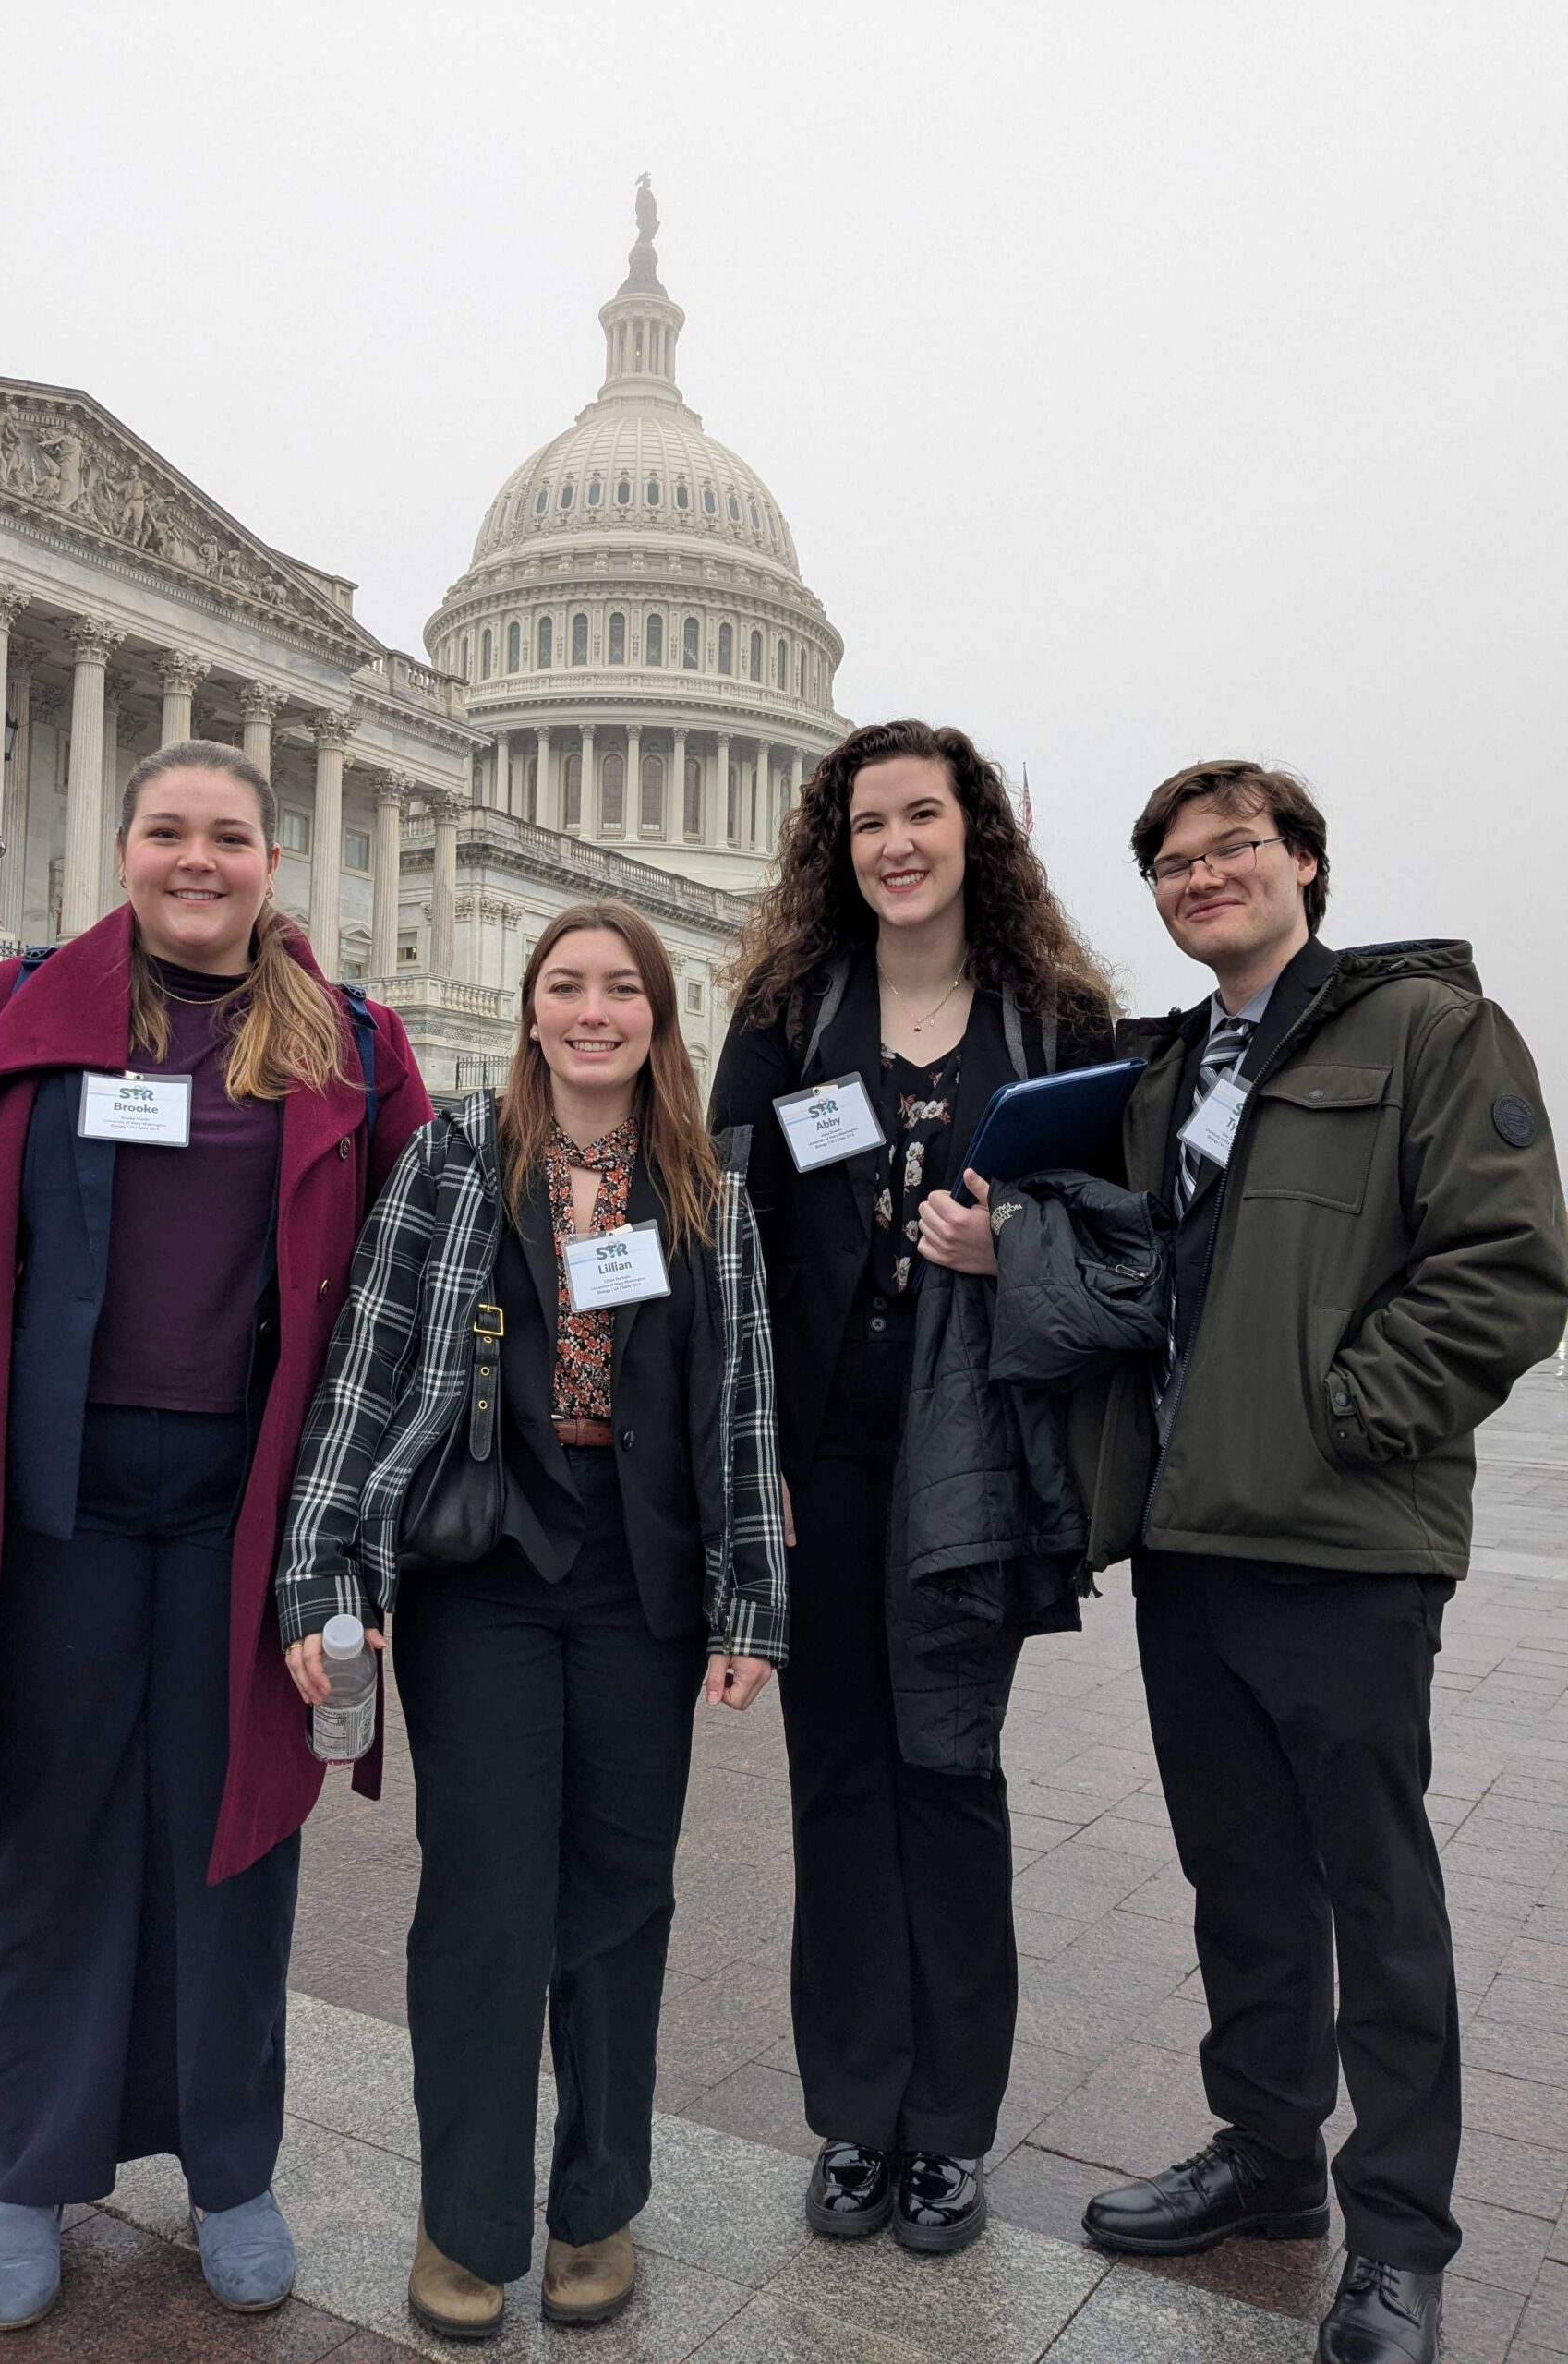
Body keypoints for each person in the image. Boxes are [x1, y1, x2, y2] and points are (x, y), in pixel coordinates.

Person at [0, 740, 429, 2332]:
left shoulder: (357, 1053)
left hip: (253, 1524)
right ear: (121, 851)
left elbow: (407, 1301)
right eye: (168, 831)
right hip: (51, 1511)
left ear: (269, 862)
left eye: (228, 836)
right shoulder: (7, 1017)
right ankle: (25, 2176)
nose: (198, 860)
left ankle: (230, 2169)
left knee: (235, 1844)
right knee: (44, 1842)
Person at [1076, 760, 1568, 2364]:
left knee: (1379, 1893)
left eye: (1233, 851)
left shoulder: (1428, 1032)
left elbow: (1509, 1266)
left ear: (1304, 864)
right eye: (1172, 862)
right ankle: (1271, 2162)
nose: (1201, 877)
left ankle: (1404, 2239)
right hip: (1190, 1540)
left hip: (1345, 1544)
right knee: (1245, 1882)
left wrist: (1349, 1416)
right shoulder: (1169, 1072)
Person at [275, 898, 788, 2342]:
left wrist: (753, 1600)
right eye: (566, 986)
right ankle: (470, 2217)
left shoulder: (707, 1189)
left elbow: (741, 1410)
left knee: (623, 1899)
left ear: (657, 1016)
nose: (593, 1013)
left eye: (621, 990)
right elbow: (364, 1371)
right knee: (487, 1898)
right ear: (530, 1009)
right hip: (485, 1577)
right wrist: (325, 1571)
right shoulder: (451, 1162)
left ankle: (599, 2203)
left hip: (641, 1586)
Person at [710, 719, 1114, 2253]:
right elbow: (728, 1242)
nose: (895, 843)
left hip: (978, 1464)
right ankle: (855, 2123)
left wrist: (1009, 1243)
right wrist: (756, 1470)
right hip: (823, 1463)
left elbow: (1122, 1234)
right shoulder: (790, 1010)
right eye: (868, 819)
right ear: (838, 843)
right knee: (840, 1785)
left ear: (973, 832)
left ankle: (950, 2130)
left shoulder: (1060, 1015)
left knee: (951, 1777)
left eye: (923, 815)